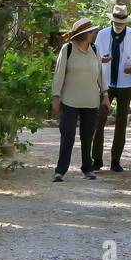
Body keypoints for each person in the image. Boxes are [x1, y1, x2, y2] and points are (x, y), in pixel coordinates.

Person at [51, 17, 108, 181]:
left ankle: (87, 168)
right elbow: (59, 74)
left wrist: (105, 95)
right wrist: (56, 96)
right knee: (67, 135)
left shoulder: (95, 50)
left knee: (87, 135)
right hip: (70, 100)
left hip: (90, 101)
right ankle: (60, 170)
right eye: (91, 32)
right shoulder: (67, 49)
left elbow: (100, 75)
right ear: (85, 34)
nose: (94, 34)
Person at [92, 4, 131, 172]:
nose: (119, 24)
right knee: (100, 121)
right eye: (116, 21)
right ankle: (97, 159)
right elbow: (95, 57)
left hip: (125, 83)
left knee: (121, 123)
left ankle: (115, 160)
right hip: (105, 83)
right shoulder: (103, 34)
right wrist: (102, 60)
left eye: (122, 22)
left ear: (126, 22)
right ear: (112, 20)